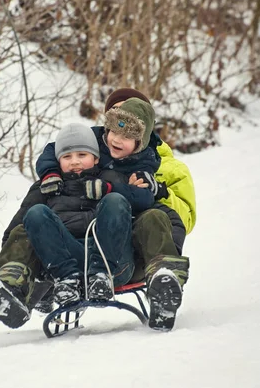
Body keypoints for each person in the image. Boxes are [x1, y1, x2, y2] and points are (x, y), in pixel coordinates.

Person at [36, 87, 196, 330]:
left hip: (133, 250)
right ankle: (26, 284)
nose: (118, 134)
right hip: (86, 245)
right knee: (37, 213)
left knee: (154, 216)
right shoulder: (93, 148)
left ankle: (163, 278)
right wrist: (51, 173)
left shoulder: (168, 165)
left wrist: (159, 192)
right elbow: (57, 147)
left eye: (129, 123)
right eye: (115, 116)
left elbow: (184, 217)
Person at [23, 113, 158, 305]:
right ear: (58, 161)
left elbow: (143, 198)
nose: (75, 161)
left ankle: (101, 276)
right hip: (71, 262)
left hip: (113, 262)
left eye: (82, 155)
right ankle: (67, 280)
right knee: (36, 213)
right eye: (67, 156)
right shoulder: (51, 186)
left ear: (95, 158)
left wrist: (108, 188)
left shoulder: (110, 176)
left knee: (114, 201)